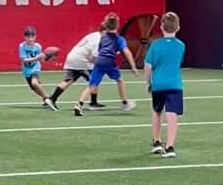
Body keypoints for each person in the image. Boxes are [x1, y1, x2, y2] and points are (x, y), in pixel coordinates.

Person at [73, 14, 137, 115]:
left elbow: (100, 49)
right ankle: (125, 103)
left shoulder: (103, 37)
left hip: (99, 61)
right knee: (120, 80)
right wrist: (133, 66)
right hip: (109, 62)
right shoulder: (120, 39)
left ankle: (79, 105)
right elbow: (127, 52)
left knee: (92, 85)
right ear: (118, 25)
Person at [144, 11, 185, 158]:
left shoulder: (155, 45)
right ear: (178, 27)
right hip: (175, 85)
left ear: (161, 27)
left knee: (157, 111)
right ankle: (170, 146)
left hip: (158, 84)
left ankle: (157, 142)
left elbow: (148, 66)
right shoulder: (181, 46)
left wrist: (148, 82)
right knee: (172, 114)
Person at [48, 29, 104, 108]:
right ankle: (93, 103)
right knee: (94, 80)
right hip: (82, 60)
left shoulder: (92, 35)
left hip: (72, 57)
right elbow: (94, 56)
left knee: (69, 80)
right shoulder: (99, 39)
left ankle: (52, 99)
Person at [18, 27, 55, 109]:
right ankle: (46, 98)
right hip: (26, 69)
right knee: (34, 88)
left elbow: (41, 60)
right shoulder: (22, 46)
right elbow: (23, 60)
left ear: (35, 37)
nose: (30, 39)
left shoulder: (38, 46)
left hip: (35, 67)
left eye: (32, 36)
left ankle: (49, 99)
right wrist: (36, 58)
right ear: (24, 37)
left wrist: (47, 58)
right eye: (28, 37)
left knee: (35, 83)